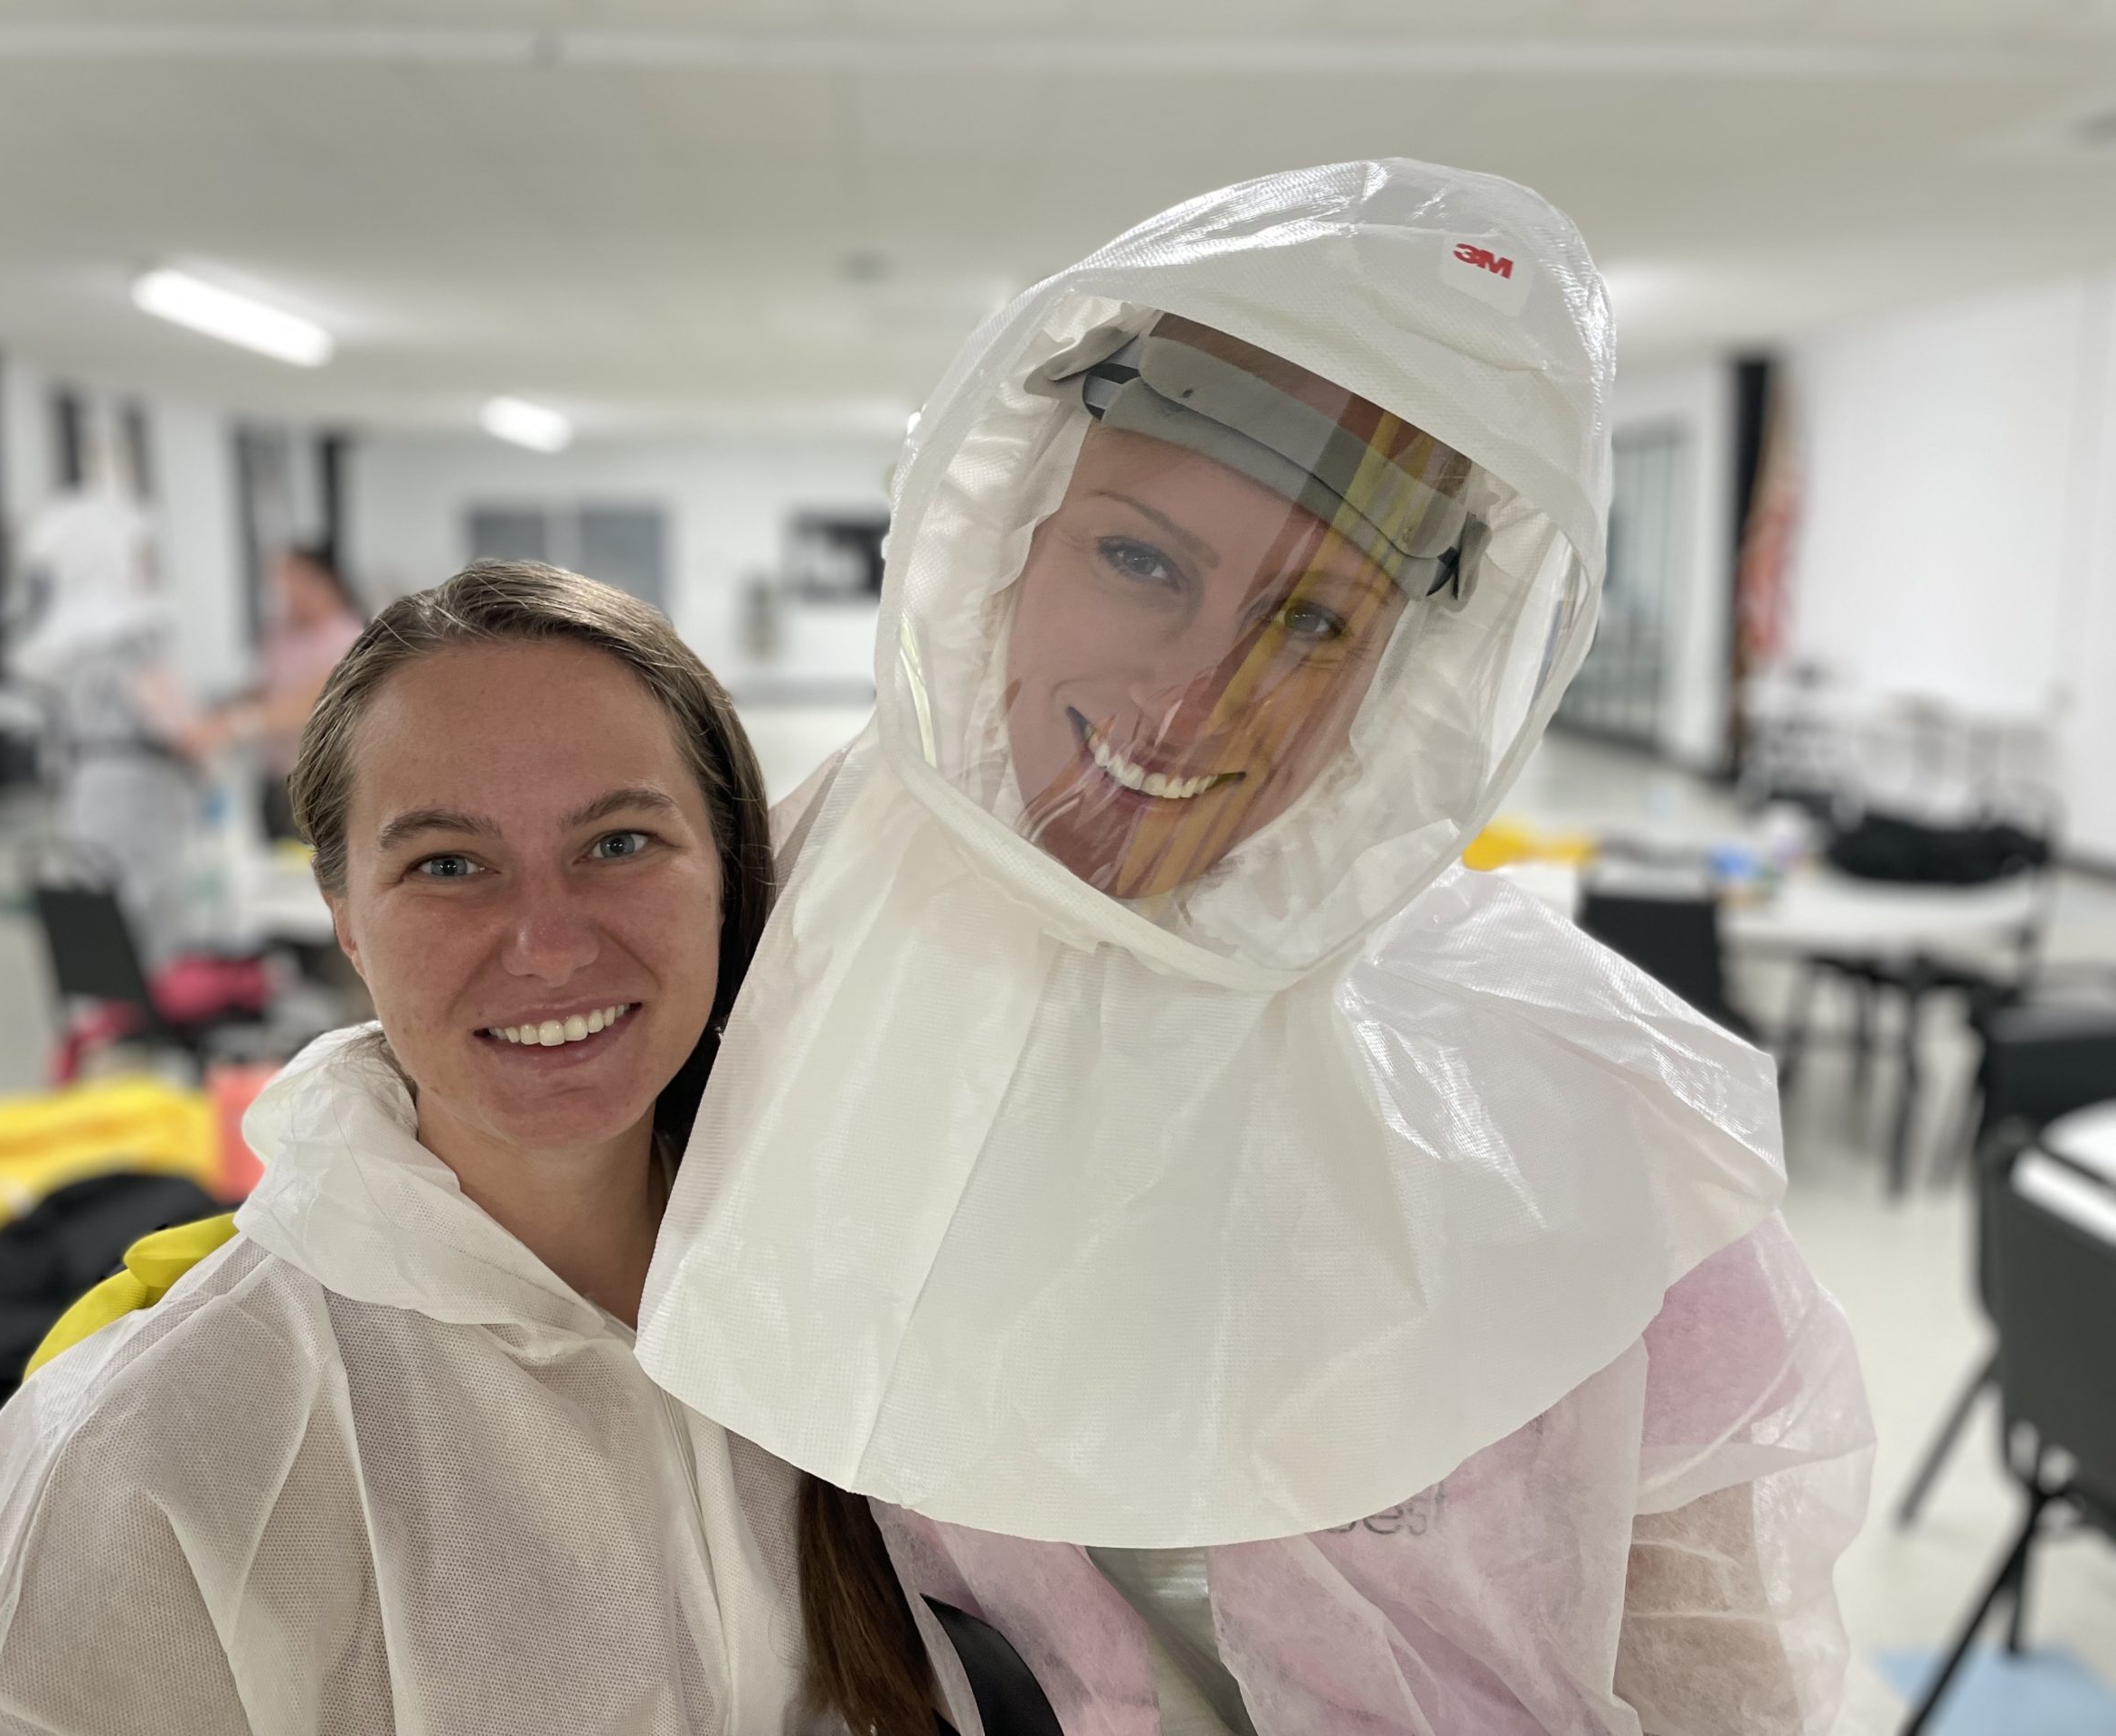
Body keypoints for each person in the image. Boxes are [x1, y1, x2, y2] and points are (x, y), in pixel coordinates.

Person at [638, 160, 1874, 1731]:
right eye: (1141, 562)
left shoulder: (1565, 1105)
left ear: (1400, 671)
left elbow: (1716, 1657)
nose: (1194, 695)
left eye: (1310, 622)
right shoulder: (797, 945)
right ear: (1011, 533)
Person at [0, 562, 901, 1735]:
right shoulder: (144, 1460)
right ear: (346, 919)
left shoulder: (850, 1298)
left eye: (618, 842)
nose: (549, 945)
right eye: (447, 864)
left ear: (726, 873)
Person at [8, 440, 204, 959]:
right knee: (150, 929)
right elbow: (183, 731)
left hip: (85, 793)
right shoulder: (132, 640)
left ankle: (110, 1006)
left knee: (102, 920)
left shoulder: (61, 647)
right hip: (141, 799)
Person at [189, 542, 366, 840]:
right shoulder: (281, 631)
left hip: (321, 785)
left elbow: (314, 704)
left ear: (323, 583)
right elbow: (263, 691)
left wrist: (235, 725)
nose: (284, 592)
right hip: (275, 781)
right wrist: (213, 718)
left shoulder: (348, 637)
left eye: (293, 581)